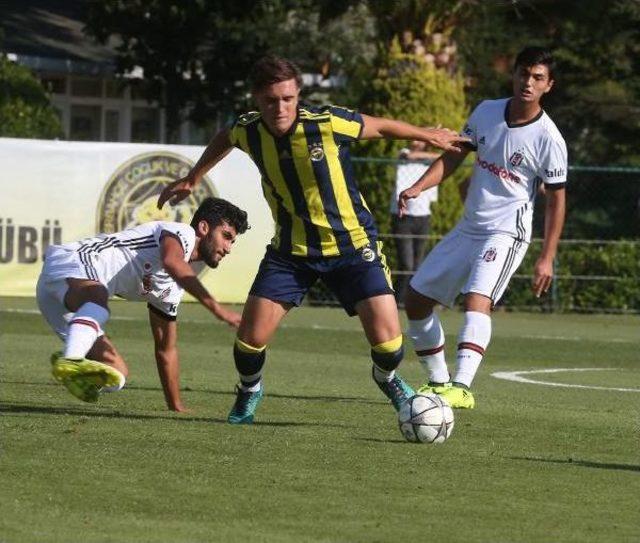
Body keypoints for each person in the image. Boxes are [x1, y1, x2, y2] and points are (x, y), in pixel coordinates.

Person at [157, 54, 469, 424]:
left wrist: (427, 135)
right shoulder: (249, 129)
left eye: (288, 99)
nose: (280, 108)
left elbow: (381, 127)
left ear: (298, 95)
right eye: (271, 100)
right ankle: (249, 390)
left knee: (390, 345)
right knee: (248, 343)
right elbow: (225, 136)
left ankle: (386, 378)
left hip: (352, 246)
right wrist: (194, 177)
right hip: (292, 251)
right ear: (257, 99)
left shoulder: (325, 122)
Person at [399, 46, 567, 409]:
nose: (528, 82)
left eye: (538, 77)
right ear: (515, 74)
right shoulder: (486, 111)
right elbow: (455, 156)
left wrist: (547, 257)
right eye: (524, 73)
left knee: (477, 299)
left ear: (548, 86)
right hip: (469, 226)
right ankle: (440, 381)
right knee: (415, 300)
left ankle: (462, 386)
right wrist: (418, 187)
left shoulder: (549, 139)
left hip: (507, 233)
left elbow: (556, 199)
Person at [36, 197, 249, 411]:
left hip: (55, 298)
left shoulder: (172, 289)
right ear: (204, 227)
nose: (228, 248)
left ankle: (71, 359)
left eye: (232, 242)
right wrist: (218, 309)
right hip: (74, 261)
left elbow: (166, 349)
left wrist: (176, 406)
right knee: (98, 299)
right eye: (226, 236)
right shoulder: (182, 232)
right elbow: (172, 262)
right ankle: (72, 359)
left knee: (116, 374)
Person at [390, 140, 439, 303]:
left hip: (423, 218)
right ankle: (397, 300)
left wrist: (430, 138)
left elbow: (441, 157)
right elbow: (410, 155)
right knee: (407, 265)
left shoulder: (428, 164)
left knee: (418, 266)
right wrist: (428, 134)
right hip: (403, 218)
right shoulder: (404, 154)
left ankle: (410, 300)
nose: (417, 141)